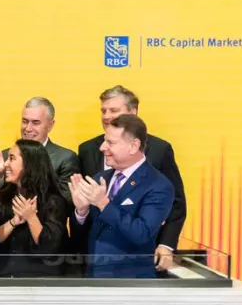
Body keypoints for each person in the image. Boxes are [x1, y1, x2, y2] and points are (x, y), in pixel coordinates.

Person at [78, 85, 186, 271]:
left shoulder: (160, 150)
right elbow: (87, 207)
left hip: (136, 260)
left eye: (114, 110)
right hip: (96, 260)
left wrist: (166, 244)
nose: (106, 116)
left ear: (133, 113)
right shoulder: (88, 149)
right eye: (103, 111)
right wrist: (81, 211)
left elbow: (176, 203)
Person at [69, 114, 174, 279]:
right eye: (104, 141)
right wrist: (81, 212)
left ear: (134, 146)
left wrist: (104, 204)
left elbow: (141, 233)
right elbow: (80, 237)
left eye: (110, 142)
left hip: (131, 282)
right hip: (94, 277)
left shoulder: (158, 185)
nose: (102, 147)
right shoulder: (100, 178)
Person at [0, 140, 68, 277]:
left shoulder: (53, 201)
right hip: (2, 278)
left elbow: (48, 249)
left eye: (12, 158)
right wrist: (13, 222)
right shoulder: (1, 196)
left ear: (29, 163)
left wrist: (31, 217)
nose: (5, 164)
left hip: (39, 282)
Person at [0, 97, 79, 202]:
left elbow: (65, 202)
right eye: (25, 121)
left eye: (35, 123)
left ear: (50, 125)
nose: (28, 128)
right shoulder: (4, 157)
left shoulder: (65, 159)